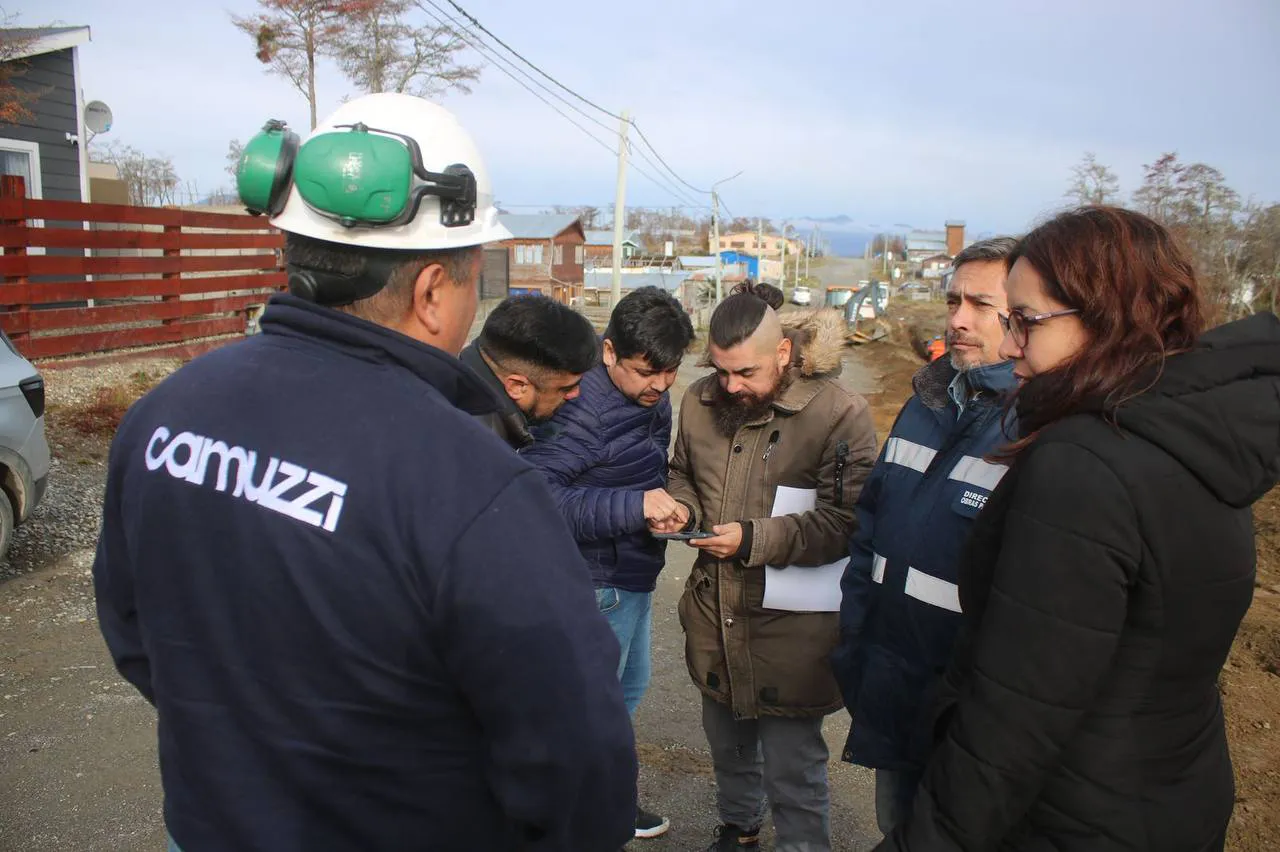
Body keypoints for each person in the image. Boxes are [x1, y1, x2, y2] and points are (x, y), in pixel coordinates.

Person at [92, 93, 637, 852]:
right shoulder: (472, 484)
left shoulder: (165, 413)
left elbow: (134, 636)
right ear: (431, 291)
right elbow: (578, 757)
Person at [877, 206, 1280, 851]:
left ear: (1107, 318)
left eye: (1027, 323)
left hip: (1070, 816)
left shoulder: (1083, 465)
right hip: (1174, 797)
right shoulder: (1195, 442)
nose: (1011, 348)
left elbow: (1015, 716)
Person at [665, 283, 879, 852]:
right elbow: (681, 470)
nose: (730, 387)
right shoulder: (699, 400)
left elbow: (848, 521)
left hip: (793, 630)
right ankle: (738, 830)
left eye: (746, 373)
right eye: (720, 371)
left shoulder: (840, 415)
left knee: (793, 767)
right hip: (716, 616)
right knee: (728, 747)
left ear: (784, 352)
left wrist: (753, 539)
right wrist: (680, 508)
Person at [830, 237, 1020, 835]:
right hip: (891, 680)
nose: (958, 319)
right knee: (897, 826)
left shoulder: (1040, 430)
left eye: (981, 305)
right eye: (953, 300)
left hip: (968, 714)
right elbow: (871, 531)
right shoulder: (927, 402)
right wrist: (855, 639)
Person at [523, 285, 696, 841]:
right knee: (587, 712)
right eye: (647, 371)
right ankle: (573, 820)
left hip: (632, 571)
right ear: (608, 352)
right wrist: (633, 507)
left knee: (627, 693)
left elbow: (649, 471)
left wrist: (668, 507)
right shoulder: (580, 410)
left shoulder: (650, 396)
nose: (661, 385)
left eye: (670, 372)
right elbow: (537, 500)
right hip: (594, 581)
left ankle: (605, 803)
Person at [459, 295, 598, 449]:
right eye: (566, 388)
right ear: (517, 387)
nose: (575, 394)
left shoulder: (461, 376)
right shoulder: (479, 448)